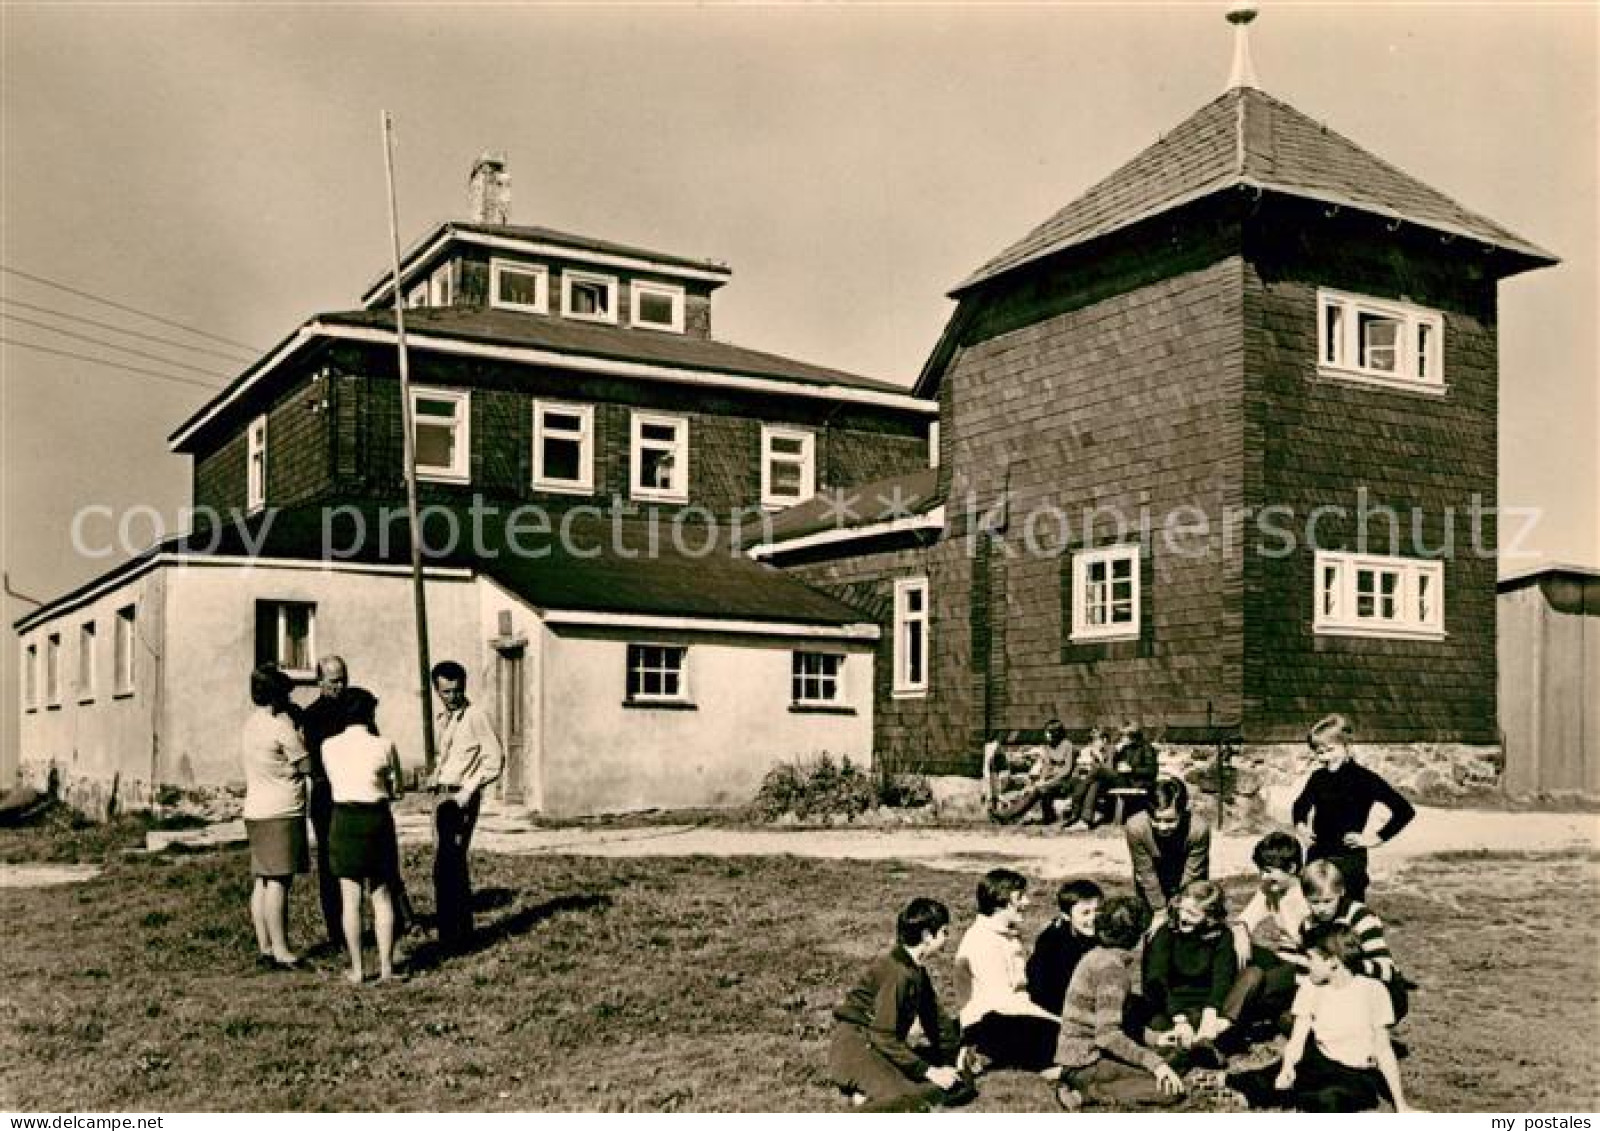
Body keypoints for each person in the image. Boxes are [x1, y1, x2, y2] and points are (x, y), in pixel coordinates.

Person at [1224, 922, 1413, 1112]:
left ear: (1333, 962)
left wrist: (1401, 1104)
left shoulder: (1373, 990)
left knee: (1331, 1100)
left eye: (1311, 958)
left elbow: (1384, 1050)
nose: (1306, 964)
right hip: (1317, 1061)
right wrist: (1287, 1068)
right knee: (1261, 1082)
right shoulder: (1310, 988)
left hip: (1356, 1072)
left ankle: (1300, 1098)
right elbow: (1297, 1041)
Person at [298, 656, 412, 945]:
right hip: (329, 796)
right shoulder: (311, 716)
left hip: (362, 794)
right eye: (334, 681)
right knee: (332, 865)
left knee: (380, 861)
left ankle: (396, 920)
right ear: (319, 682)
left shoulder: (357, 708)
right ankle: (338, 931)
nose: (340, 686)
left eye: (343, 680)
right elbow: (318, 761)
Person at [828, 897, 974, 1112]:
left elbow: (934, 1019)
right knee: (909, 1099)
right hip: (857, 1046)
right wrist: (930, 1071)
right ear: (927, 936)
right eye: (944, 932)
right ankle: (868, 1097)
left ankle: (868, 1094)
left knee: (948, 1085)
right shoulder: (897, 973)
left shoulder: (915, 970)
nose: (947, 938)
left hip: (877, 1044)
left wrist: (954, 1058)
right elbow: (883, 1035)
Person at [1052, 895, 1187, 1110]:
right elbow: (1107, 1036)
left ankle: (1080, 1084)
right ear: (1137, 937)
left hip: (1077, 1058)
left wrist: (1157, 1038)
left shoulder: (1096, 955)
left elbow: (1114, 1022)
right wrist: (1156, 1064)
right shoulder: (1112, 971)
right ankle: (1085, 1094)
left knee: (1177, 1057)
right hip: (1087, 1061)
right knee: (1170, 1090)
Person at [323, 695, 404, 985]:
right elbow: (398, 788)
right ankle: (386, 968)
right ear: (371, 715)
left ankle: (357, 970)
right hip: (376, 819)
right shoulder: (384, 745)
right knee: (382, 896)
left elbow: (334, 779)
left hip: (344, 819)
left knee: (350, 899)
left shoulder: (328, 746)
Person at [1291, 714, 1415, 903]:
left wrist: (1377, 838)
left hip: (1349, 858)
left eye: (1330, 750)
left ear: (1346, 746)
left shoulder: (1365, 779)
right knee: (1316, 910)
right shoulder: (1318, 778)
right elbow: (1300, 804)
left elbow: (1404, 810)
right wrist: (1300, 825)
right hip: (1318, 855)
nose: (1324, 757)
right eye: (1319, 752)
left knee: (1349, 914)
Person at [427, 659, 504, 950]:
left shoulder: (476, 716)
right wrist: (435, 775)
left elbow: (494, 760)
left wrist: (468, 791)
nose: (452, 697)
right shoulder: (443, 719)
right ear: (437, 690)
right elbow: (446, 756)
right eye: (446, 692)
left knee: (452, 863)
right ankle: (450, 930)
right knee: (442, 865)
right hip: (441, 796)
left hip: (461, 799)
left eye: (457, 690)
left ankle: (459, 933)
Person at [955, 868, 1061, 1073]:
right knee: (1059, 1035)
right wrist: (1055, 1020)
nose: (1027, 902)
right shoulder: (983, 940)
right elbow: (1005, 1003)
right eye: (1019, 897)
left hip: (1012, 1012)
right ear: (999, 902)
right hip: (988, 1022)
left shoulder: (1006, 935)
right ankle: (977, 1053)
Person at [239, 663, 311, 970]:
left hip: (256, 808)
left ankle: (266, 945)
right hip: (282, 810)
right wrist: (300, 733)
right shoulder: (282, 728)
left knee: (263, 880)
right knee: (280, 881)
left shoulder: (252, 724)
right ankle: (282, 950)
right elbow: (307, 766)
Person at [1221, 831, 1312, 1038]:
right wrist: (1242, 933)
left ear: (1292, 868)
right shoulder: (1270, 889)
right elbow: (1245, 919)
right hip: (1283, 960)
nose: (1263, 877)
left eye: (1269, 871)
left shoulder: (1309, 896)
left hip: (1304, 968)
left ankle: (1228, 1028)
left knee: (1256, 986)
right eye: (1261, 870)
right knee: (1230, 946)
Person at [1298, 859, 1409, 1022]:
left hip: (1380, 989)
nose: (1321, 909)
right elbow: (1306, 969)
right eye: (1314, 902)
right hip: (1336, 986)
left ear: (1341, 892)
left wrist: (1343, 966)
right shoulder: (1308, 925)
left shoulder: (1360, 916)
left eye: (1328, 901)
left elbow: (1387, 970)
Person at [1141, 879, 1237, 1067]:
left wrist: (1210, 1014)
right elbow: (1156, 979)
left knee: (1251, 977)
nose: (1183, 917)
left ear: (1210, 917)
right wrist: (1179, 1019)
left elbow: (1222, 978)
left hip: (1206, 1006)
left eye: (1192, 914)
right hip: (1171, 1005)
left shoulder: (1221, 936)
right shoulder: (1166, 933)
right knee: (1159, 1028)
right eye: (1181, 909)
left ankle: (1204, 1042)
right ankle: (1200, 1047)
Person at [1124, 777, 1211, 913]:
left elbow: (1192, 874)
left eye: (1170, 820)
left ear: (1183, 813)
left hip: (1187, 876)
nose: (1162, 827)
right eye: (1156, 820)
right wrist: (1159, 910)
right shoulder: (1135, 827)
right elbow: (1146, 872)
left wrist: (1179, 907)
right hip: (1152, 879)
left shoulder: (1198, 830)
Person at [1027, 879, 1103, 1017]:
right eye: (1085, 913)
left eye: (1097, 911)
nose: (1093, 918)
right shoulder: (1052, 945)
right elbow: (1045, 993)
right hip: (1057, 1011)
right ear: (1066, 916)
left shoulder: (1099, 935)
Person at [1062, 728, 1118, 828]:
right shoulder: (1089, 750)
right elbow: (1079, 771)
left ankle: (1075, 805)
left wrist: (1099, 758)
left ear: (1104, 740)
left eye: (1095, 740)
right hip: (1094, 782)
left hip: (1111, 781)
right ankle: (1084, 820)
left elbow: (1109, 769)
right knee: (1093, 784)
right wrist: (1082, 765)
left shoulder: (1111, 749)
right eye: (1091, 740)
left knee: (1095, 775)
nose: (1092, 743)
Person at [1111, 724, 1160, 792]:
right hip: (1124, 779)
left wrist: (1132, 769)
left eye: (1124, 736)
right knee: (1097, 782)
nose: (1121, 738)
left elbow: (1152, 770)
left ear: (1133, 736)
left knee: (1098, 773)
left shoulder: (1146, 748)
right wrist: (1116, 752)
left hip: (1137, 782)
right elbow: (1113, 767)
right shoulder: (1125, 748)